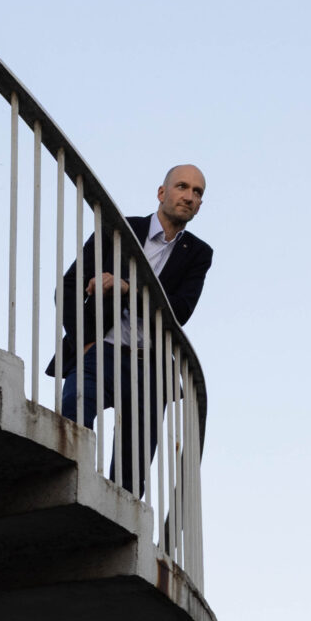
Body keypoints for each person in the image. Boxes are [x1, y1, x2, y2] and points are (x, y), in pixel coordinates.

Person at [51, 165, 212, 478]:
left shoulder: (198, 253)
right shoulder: (118, 228)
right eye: (182, 186)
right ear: (161, 193)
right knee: (74, 411)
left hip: (151, 368)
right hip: (102, 348)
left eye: (197, 192)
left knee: (131, 473)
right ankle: (71, 481)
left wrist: (128, 288)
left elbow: (179, 311)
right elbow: (69, 287)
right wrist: (85, 342)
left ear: (200, 204)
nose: (189, 196)